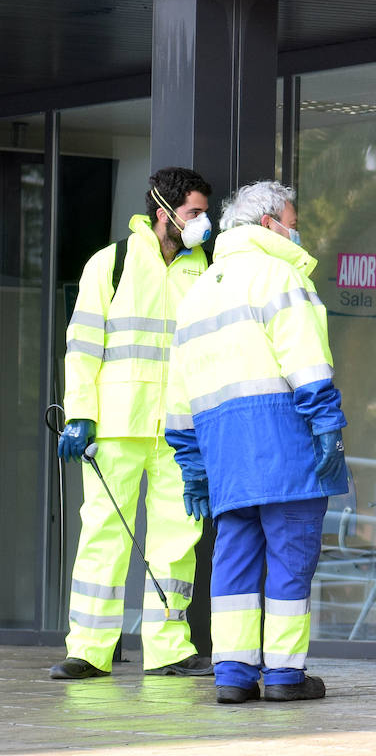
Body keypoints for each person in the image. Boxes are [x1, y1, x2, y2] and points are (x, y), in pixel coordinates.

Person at [164, 180, 347, 704]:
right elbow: (307, 363)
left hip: (226, 458)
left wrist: (194, 467)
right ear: (268, 224)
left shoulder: (198, 293)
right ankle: (286, 677)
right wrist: (327, 426)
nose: (296, 229)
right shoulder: (279, 276)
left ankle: (234, 677)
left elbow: (180, 396)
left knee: (235, 563)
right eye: (292, 218)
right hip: (285, 445)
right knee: (290, 559)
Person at [51, 167, 216, 680]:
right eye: (194, 213)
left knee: (177, 540)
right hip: (116, 425)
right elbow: (82, 347)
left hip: (179, 430)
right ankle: (89, 649)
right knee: (104, 535)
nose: (202, 223)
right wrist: (79, 414)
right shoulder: (112, 263)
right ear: (162, 210)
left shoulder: (206, 269)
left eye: (205, 213)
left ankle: (168, 649)